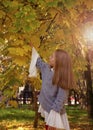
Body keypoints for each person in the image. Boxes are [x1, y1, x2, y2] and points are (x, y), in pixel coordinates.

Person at [29, 47, 75, 130]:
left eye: (53, 56)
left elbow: (61, 98)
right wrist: (32, 48)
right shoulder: (46, 68)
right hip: (47, 108)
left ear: (59, 61)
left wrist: (54, 119)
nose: (50, 57)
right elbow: (38, 61)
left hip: (55, 111)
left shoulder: (62, 76)